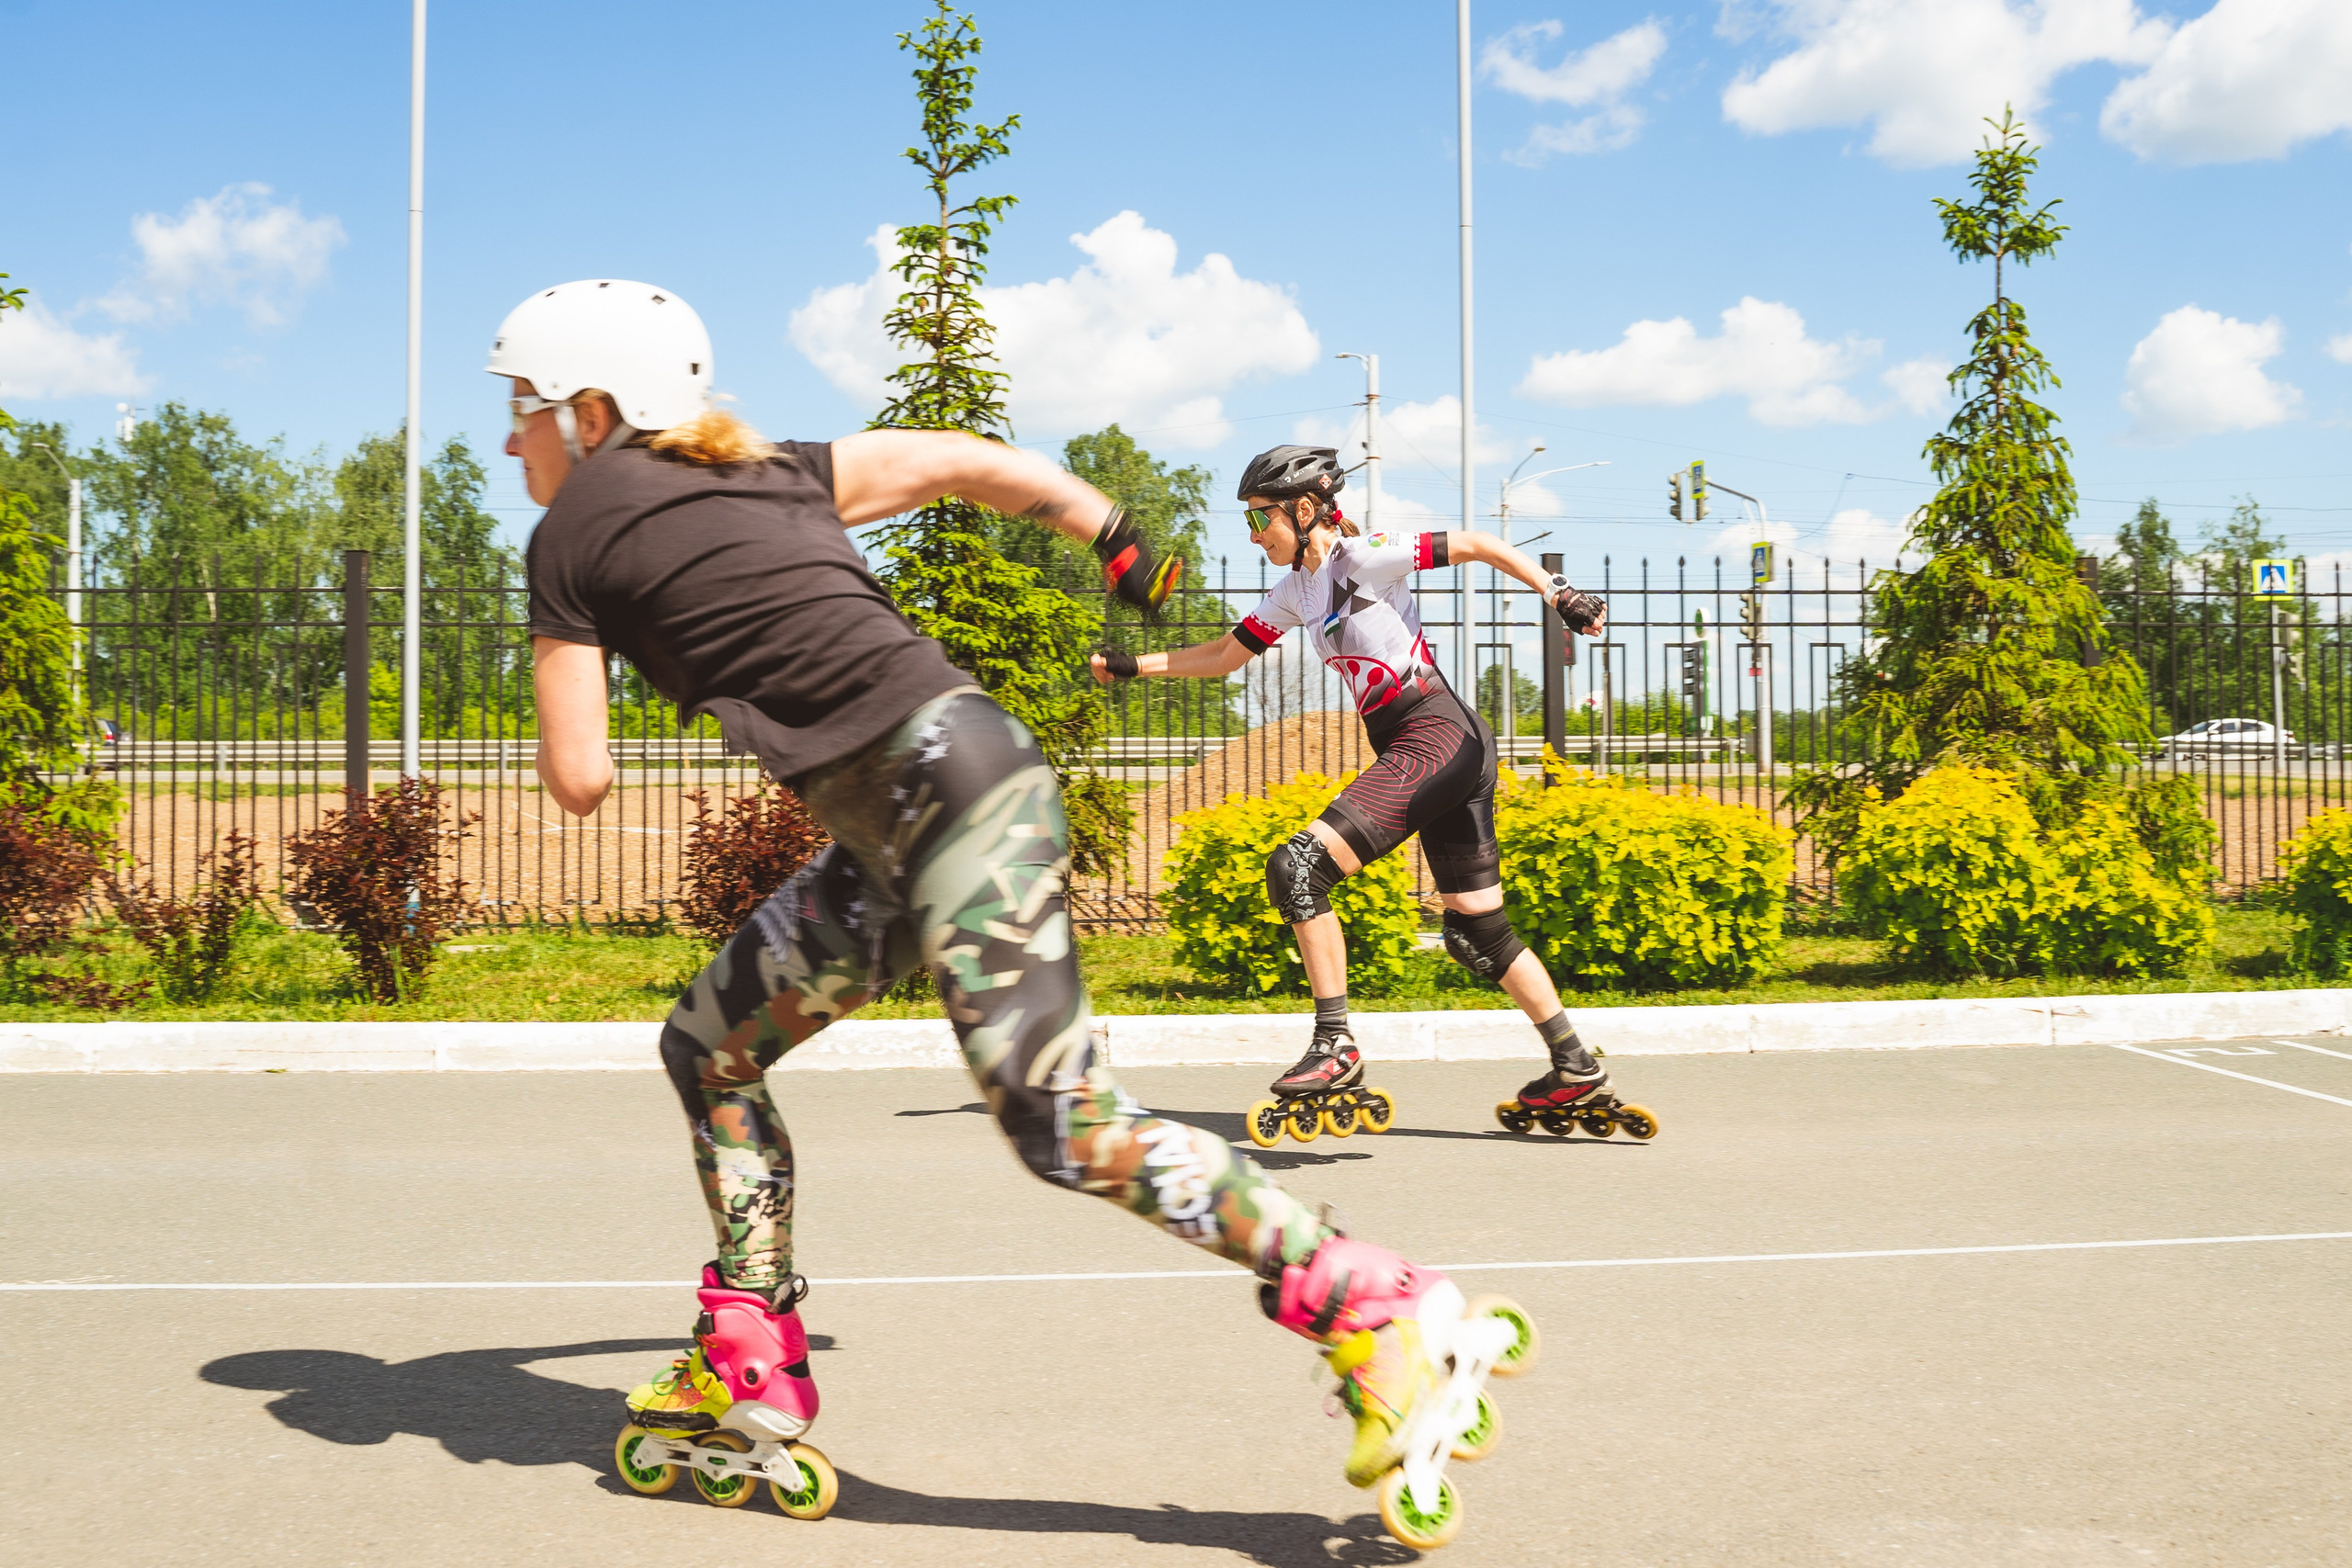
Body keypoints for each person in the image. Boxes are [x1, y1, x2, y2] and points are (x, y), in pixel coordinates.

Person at [496, 282, 1527, 1520]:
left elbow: (580, 777)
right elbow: (963, 461)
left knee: (1063, 1122)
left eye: (521, 408)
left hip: (946, 805)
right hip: (923, 812)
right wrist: (1111, 532)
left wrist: (585, 626)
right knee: (710, 1046)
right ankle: (746, 1347)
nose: (507, 441)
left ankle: (1374, 1303)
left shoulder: (570, 535)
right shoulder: (770, 469)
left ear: (592, 410)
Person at [1090, 446, 1646, 1139]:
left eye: (1260, 518)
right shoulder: (1295, 590)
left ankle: (1335, 1045)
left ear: (1303, 509)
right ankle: (1575, 1066)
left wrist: (1555, 591)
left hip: (1436, 735)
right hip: (1441, 746)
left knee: (1297, 868)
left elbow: (1477, 543)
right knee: (1476, 931)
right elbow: (1226, 656)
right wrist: (1133, 666)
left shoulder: (1362, 557)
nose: (1254, 534)